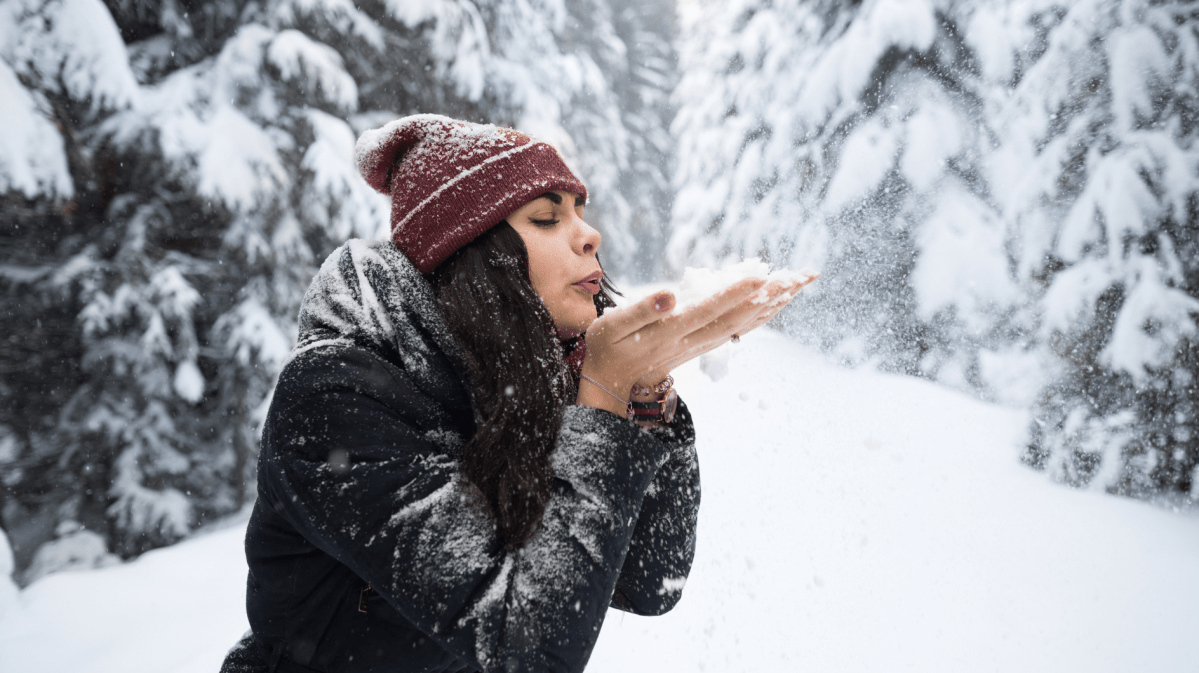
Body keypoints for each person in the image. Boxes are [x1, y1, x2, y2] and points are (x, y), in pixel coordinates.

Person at [219, 114, 804, 673]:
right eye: (547, 219)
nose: (591, 235)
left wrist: (645, 401)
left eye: (580, 212)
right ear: (471, 252)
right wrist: (605, 397)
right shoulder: (335, 399)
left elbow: (650, 581)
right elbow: (529, 647)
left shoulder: (530, 375)